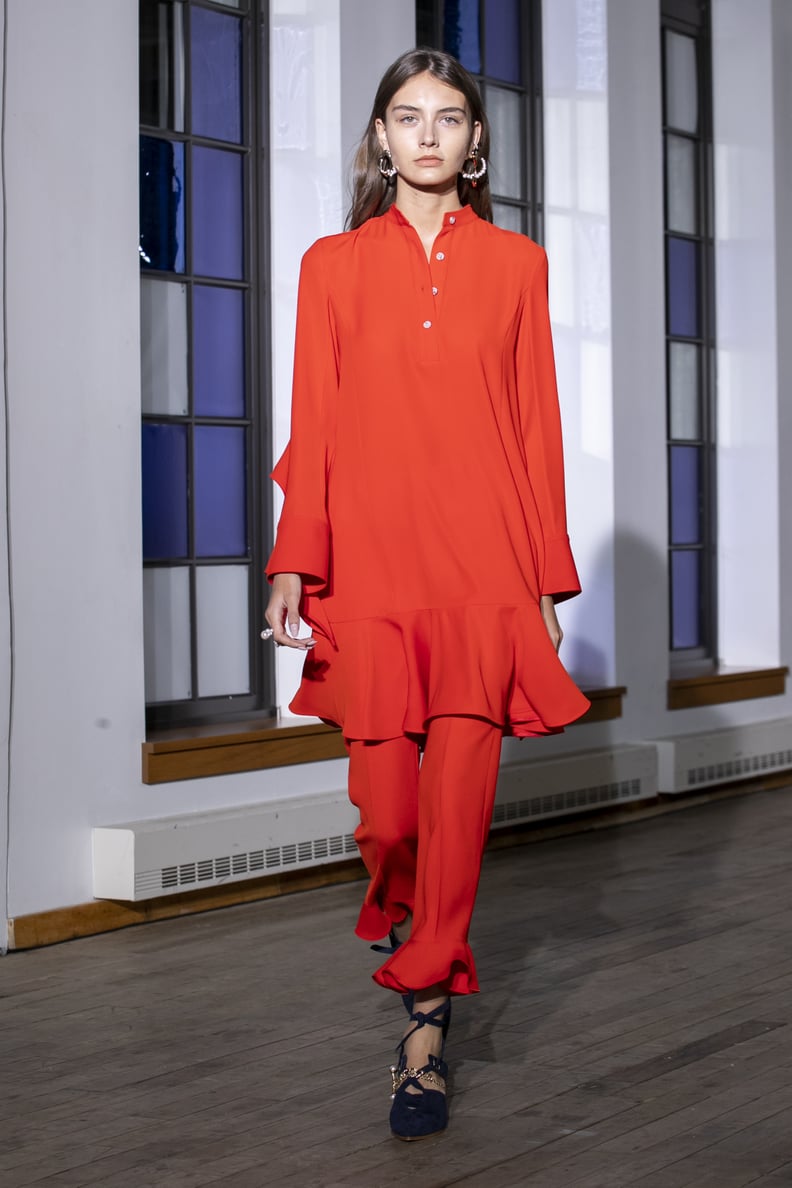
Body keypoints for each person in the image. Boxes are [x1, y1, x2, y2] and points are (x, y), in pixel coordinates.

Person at [264, 47, 590, 1142]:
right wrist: (292, 561)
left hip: (485, 568)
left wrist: (545, 577)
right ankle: (411, 939)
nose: (430, 136)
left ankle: (424, 1039)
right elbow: (312, 427)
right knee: (391, 815)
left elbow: (536, 429)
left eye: (450, 118)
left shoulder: (518, 264)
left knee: (455, 814)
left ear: (476, 142)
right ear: (381, 139)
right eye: (408, 117)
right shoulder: (330, 267)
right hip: (372, 569)